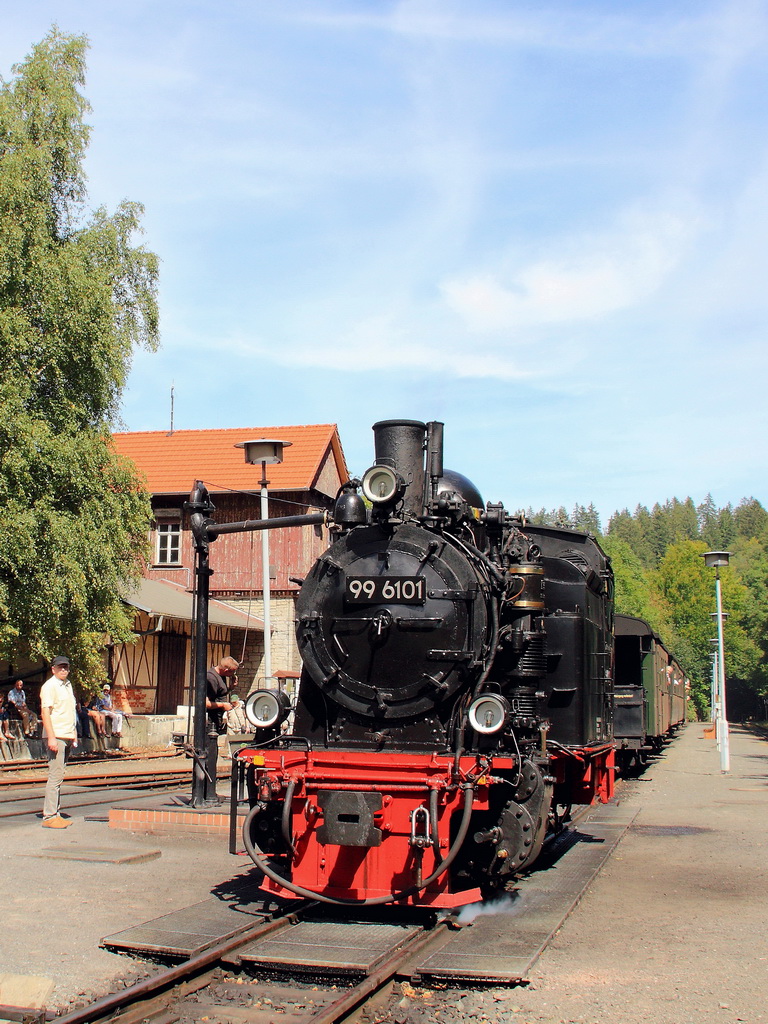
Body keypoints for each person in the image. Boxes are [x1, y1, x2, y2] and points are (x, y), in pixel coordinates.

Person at [39, 655, 78, 828]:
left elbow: (69, 710)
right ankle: (49, 817)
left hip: (67, 734)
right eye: (60, 667)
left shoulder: (67, 685)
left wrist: (74, 733)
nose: (64, 670)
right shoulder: (50, 686)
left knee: (60, 776)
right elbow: (45, 712)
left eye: (66, 667)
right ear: (53, 669)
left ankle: (56, 813)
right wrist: (51, 737)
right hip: (56, 736)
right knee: (55, 777)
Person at [204, 656, 239, 801]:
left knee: (214, 755)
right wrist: (223, 706)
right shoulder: (210, 678)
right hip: (209, 722)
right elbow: (204, 703)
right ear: (225, 670)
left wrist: (231, 687)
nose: (232, 675)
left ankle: (210, 791)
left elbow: (219, 694)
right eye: (232, 672)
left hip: (216, 721)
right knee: (209, 755)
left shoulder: (221, 677)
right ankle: (207, 793)